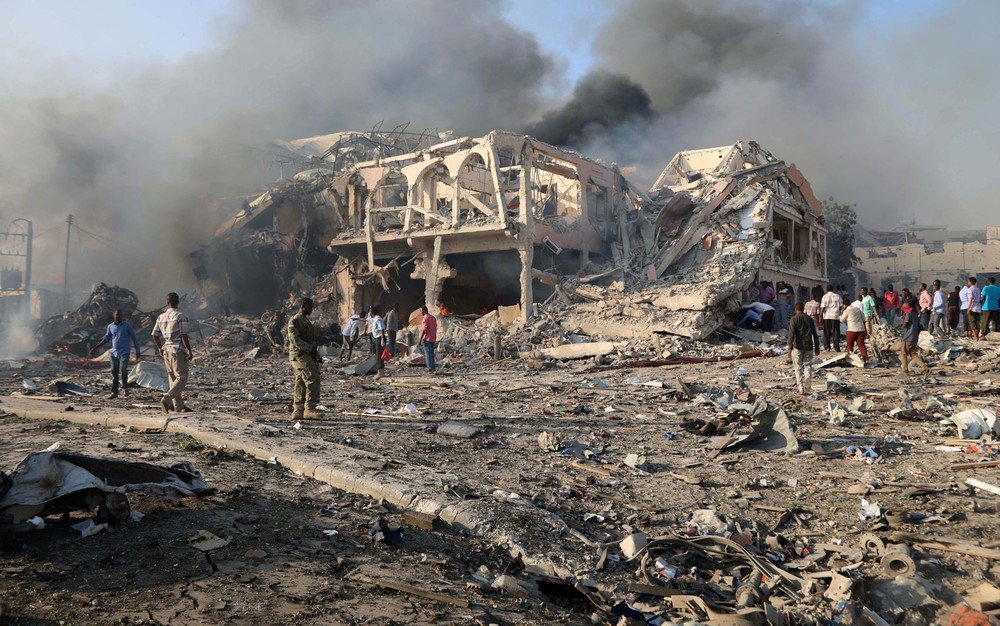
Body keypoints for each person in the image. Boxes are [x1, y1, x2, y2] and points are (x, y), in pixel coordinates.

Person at [151, 292, 193, 414]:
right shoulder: (181, 316)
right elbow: (184, 335)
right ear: (178, 302)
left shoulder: (161, 317)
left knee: (173, 378)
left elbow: (154, 335)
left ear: (167, 303)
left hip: (166, 350)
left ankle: (178, 406)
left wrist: (160, 348)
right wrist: (189, 350)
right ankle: (166, 399)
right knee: (182, 378)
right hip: (177, 350)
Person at [89, 309, 142, 399]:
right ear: (114, 315)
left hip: (124, 352)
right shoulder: (110, 326)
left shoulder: (127, 326)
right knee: (114, 372)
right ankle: (115, 392)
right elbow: (106, 339)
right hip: (114, 353)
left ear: (121, 316)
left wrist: (138, 352)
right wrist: (95, 348)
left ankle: (125, 388)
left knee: (123, 369)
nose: (118, 316)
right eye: (117, 315)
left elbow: (134, 339)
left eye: (119, 315)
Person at [286, 297, 324, 419]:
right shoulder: (295, 320)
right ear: (304, 306)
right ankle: (310, 408)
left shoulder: (305, 321)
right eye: (310, 307)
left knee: (301, 381)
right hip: (299, 355)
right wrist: (310, 349)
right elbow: (294, 339)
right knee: (313, 378)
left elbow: (310, 340)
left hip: (306, 355)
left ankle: (298, 411)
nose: (312, 310)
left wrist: (316, 355)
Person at [786, 302, 820, 395]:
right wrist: (817, 347)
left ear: (796, 309)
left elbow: (791, 334)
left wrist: (789, 348)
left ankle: (800, 388)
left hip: (798, 346)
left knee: (798, 368)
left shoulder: (794, 319)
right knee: (808, 366)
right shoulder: (810, 319)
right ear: (803, 308)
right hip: (809, 346)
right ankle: (808, 386)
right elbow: (814, 334)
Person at [900, 296, 929, 376]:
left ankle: (905, 370)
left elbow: (905, 325)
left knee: (903, 354)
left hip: (907, 337)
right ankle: (924, 367)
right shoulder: (916, 314)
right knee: (913, 354)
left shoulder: (908, 314)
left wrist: (902, 323)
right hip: (914, 337)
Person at [840, 296, 868, 363]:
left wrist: (842, 311)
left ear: (844, 305)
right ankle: (866, 359)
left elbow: (841, 320)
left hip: (852, 330)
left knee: (850, 346)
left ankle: (851, 360)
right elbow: (864, 319)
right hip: (861, 330)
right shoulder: (857, 309)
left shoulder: (847, 310)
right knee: (861, 345)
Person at [820, 285, 843, 351]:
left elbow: (822, 308)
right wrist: (840, 314)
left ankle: (827, 347)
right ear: (833, 289)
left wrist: (820, 317)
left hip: (827, 316)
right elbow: (842, 307)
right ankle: (836, 347)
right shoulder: (838, 296)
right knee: (836, 332)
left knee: (826, 332)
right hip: (835, 317)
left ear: (827, 289)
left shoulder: (824, 297)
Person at [368, 305, 387, 380]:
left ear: (372, 312)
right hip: (377, 338)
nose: (369, 313)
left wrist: (382, 339)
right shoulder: (374, 319)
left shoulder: (378, 319)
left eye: (370, 312)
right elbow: (366, 320)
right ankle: (380, 371)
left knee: (380, 355)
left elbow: (382, 329)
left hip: (380, 338)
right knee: (378, 355)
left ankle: (381, 373)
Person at [418, 305, 438, 374]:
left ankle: (430, 369)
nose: (421, 313)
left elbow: (424, 330)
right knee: (431, 353)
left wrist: (420, 339)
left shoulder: (425, 318)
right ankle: (433, 368)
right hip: (433, 338)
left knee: (427, 354)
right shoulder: (433, 318)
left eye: (421, 311)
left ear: (423, 311)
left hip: (427, 338)